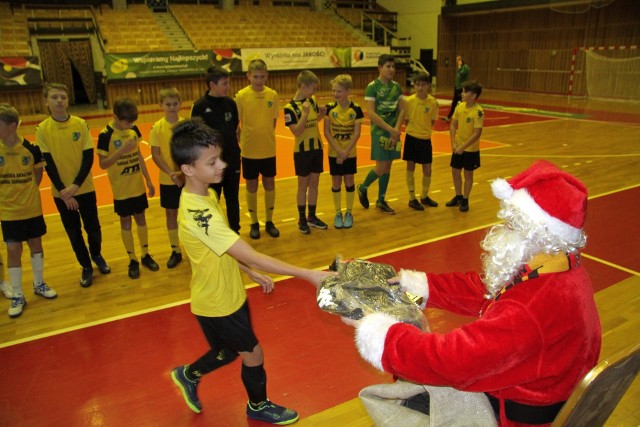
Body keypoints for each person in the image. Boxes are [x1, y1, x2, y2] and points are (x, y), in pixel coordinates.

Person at [345, 160, 602, 427]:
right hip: (540, 390)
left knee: (400, 402)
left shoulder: (531, 308)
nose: (501, 228)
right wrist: (422, 285)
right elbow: (487, 289)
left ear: (536, 232)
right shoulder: (557, 269)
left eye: (511, 223)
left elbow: (452, 361)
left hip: (513, 416)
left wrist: (382, 335)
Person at [168, 119, 332, 424]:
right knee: (253, 353)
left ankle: (187, 374)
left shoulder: (206, 194)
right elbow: (252, 253)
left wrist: (245, 271)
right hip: (217, 303)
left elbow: (220, 249)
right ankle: (257, 405)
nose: (223, 165)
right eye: (213, 161)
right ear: (188, 169)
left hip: (226, 293)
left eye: (220, 157)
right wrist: (308, 274)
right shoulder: (197, 213)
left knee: (228, 352)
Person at [35, 83, 110, 288]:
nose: (59, 100)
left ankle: (96, 254)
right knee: (74, 232)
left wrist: (75, 186)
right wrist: (64, 192)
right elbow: (47, 164)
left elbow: (88, 157)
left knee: (93, 229)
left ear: (68, 100)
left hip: (84, 188)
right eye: (54, 97)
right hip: (61, 194)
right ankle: (85, 266)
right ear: (46, 102)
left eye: (63, 97)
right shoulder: (42, 129)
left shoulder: (80, 124)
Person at [0, 104, 57, 317]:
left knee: (36, 244)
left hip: (32, 209)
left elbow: (37, 178)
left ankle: (39, 284)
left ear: (12, 125)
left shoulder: (31, 149)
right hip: (8, 212)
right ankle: (17, 294)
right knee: (13, 250)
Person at [97, 97, 159, 279]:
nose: (130, 124)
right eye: (127, 121)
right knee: (126, 222)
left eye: (132, 122)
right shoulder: (105, 134)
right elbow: (103, 164)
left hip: (137, 185)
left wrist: (148, 179)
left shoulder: (133, 130)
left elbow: (139, 155)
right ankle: (132, 259)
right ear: (115, 116)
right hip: (121, 189)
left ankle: (145, 254)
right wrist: (122, 151)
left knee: (141, 218)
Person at [191, 66, 241, 233]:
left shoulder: (231, 104)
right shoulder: (199, 107)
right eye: (224, 83)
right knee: (212, 200)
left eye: (228, 83)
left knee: (233, 198)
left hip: (232, 160)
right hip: (211, 164)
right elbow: (196, 136)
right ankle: (213, 234)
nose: (228, 87)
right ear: (212, 84)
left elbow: (233, 128)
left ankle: (235, 233)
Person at [235, 59, 280, 240]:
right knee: (251, 185)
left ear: (267, 75)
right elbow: (237, 124)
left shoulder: (273, 95)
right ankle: (254, 222)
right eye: (255, 77)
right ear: (248, 76)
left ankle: (269, 221)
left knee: (269, 183)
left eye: (262, 76)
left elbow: (274, 121)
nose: (259, 80)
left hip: (268, 149)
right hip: (249, 150)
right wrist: (244, 140)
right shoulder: (241, 95)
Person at [357, 54, 405, 215]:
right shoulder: (372, 87)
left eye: (393, 66)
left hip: (394, 132)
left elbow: (402, 109)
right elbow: (371, 113)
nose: (391, 69)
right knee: (381, 167)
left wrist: (396, 129)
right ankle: (363, 187)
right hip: (379, 132)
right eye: (388, 66)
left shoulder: (397, 87)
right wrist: (391, 130)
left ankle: (381, 200)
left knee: (388, 166)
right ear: (379, 68)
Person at [284, 70, 328, 234]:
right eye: (313, 89)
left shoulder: (312, 100)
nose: (315, 93)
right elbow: (297, 131)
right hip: (302, 151)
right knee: (303, 186)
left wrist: (321, 115)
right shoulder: (289, 108)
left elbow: (313, 122)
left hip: (316, 147)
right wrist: (304, 113)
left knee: (314, 184)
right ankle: (301, 219)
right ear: (303, 86)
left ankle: (312, 216)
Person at [150, 87, 185, 268]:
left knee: (189, 213)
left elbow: (191, 152)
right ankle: (176, 250)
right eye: (168, 104)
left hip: (185, 178)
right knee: (171, 213)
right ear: (161, 106)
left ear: (180, 104)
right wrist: (171, 173)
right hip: (167, 179)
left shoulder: (185, 126)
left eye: (175, 103)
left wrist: (181, 172)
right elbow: (155, 154)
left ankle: (193, 247)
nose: (172, 107)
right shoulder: (157, 127)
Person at [323, 74, 364, 229]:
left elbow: (357, 133)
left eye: (339, 91)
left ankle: (349, 212)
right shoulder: (329, 108)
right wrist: (339, 151)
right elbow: (326, 132)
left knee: (349, 180)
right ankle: (338, 212)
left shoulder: (356, 109)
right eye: (333, 91)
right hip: (334, 152)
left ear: (347, 91)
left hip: (349, 153)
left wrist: (345, 151)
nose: (335, 94)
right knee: (336, 181)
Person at [402, 72, 439, 211]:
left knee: (427, 169)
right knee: (410, 167)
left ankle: (424, 196)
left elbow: (432, 121)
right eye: (417, 84)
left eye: (423, 84)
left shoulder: (433, 102)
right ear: (414, 86)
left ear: (428, 85)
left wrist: (423, 130)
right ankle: (412, 198)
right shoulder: (409, 101)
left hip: (425, 139)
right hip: (411, 137)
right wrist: (413, 130)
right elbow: (406, 119)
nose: (420, 87)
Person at [445, 80, 484, 212]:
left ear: (473, 95)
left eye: (465, 91)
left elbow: (477, 133)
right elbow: (453, 125)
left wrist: (464, 147)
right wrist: (453, 142)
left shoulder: (478, 112)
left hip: (470, 149)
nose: (462, 94)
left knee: (468, 174)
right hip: (458, 147)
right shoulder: (459, 107)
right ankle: (458, 196)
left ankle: (465, 199)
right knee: (455, 172)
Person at [444, 54, 469, 122]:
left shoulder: (465, 67)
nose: (457, 61)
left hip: (461, 88)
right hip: (457, 87)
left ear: (462, 60)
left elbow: (462, 74)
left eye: (458, 59)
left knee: (461, 103)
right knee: (454, 103)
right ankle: (449, 117)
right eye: (457, 59)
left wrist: (460, 66)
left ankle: (462, 118)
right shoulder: (460, 68)